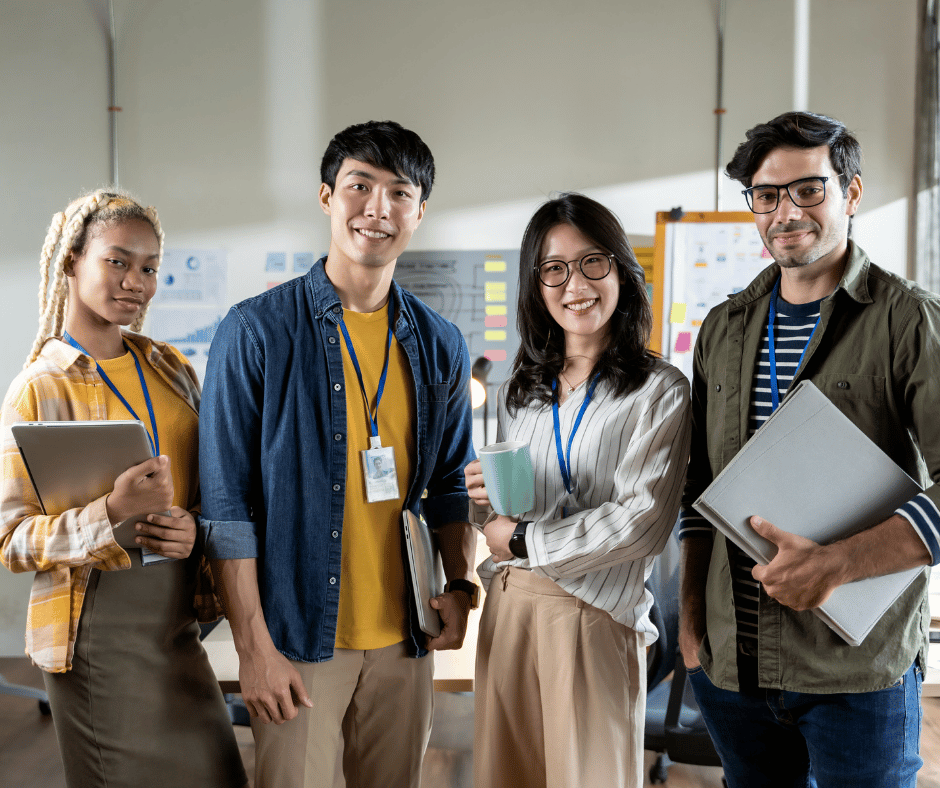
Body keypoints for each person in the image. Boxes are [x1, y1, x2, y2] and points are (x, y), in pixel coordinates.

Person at [199, 120, 478, 788]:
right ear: (327, 196)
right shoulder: (256, 331)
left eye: (398, 193)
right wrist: (252, 649)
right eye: (360, 186)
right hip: (298, 638)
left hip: (405, 640)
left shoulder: (439, 342)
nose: (377, 209)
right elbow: (226, 506)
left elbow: (448, 485)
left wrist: (462, 586)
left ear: (419, 212)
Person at [678, 111, 940, 788]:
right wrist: (689, 627)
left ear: (852, 193)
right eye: (767, 195)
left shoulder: (908, 320)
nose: (785, 212)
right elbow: (698, 486)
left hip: (855, 675)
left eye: (808, 190)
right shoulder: (724, 328)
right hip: (734, 670)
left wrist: (836, 564)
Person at [0, 189, 247, 788]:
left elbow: (206, 490)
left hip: (180, 622)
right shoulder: (40, 386)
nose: (135, 281)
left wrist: (193, 523)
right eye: (117, 260)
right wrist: (109, 513)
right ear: (71, 262)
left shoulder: (171, 368)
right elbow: (10, 540)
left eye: (149, 267)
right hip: (97, 634)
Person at [464, 193, 691, 788]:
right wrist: (481, 499)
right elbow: (502, 511)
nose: (575, 285)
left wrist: (520, 539)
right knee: (504, 775)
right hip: (510, 603)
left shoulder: (658, 389)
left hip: (593, 614)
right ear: (536, 285)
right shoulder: (523, 387)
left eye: (593, 262)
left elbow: (642, 521)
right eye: (554, 269)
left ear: (619, 268)